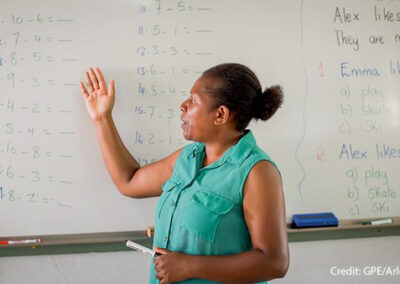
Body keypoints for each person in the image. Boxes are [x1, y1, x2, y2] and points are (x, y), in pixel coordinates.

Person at [80, 63, 289, 284]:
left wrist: (190, 266)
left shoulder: (256, 171)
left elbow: (274, 262)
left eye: (193, 100)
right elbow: (129, 181)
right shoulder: (187, 158)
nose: (183, 106)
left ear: (220, 114)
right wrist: (102, 118)